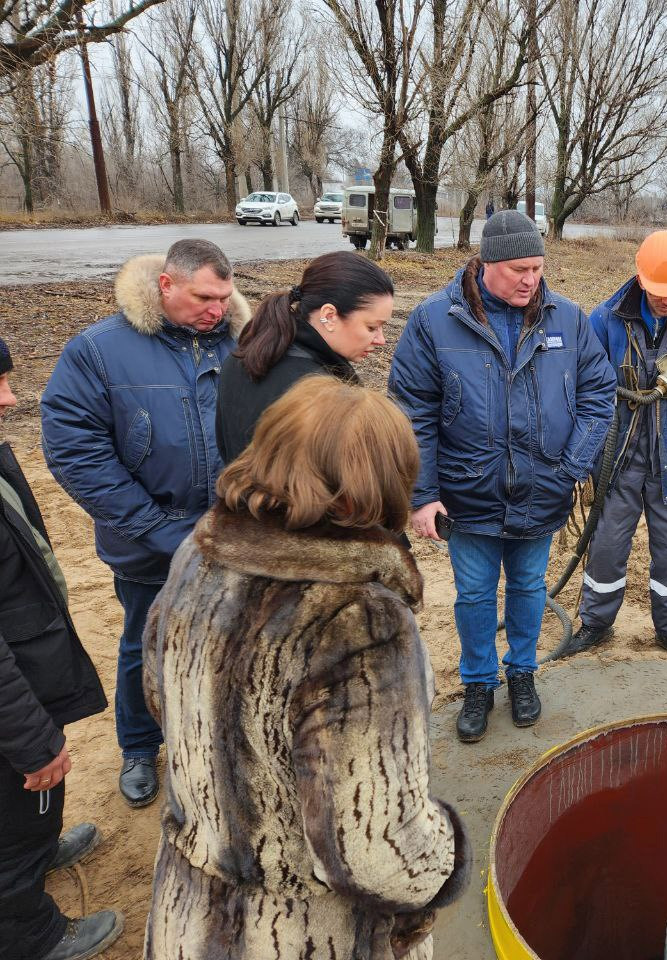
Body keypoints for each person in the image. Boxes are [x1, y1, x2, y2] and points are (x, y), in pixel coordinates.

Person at [142, 378, 467, 960]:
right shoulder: (361, 623)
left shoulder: (199, 557)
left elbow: (159, 697)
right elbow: (375, 849)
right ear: (376, 485)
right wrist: (446, 852)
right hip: (305, 933)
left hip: (190, 913)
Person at [389, 210, 615, 744]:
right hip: (468, 493)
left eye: (537, 268)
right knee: (472, 594)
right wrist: (422, 497)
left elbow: (598, 397)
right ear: (485, 263)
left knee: (530, 587)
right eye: (518, 268)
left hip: (543, 488)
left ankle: (522, 674)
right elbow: (411, 411)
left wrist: (572, 469)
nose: (530, 279)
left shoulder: (567, 319)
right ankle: (477, 683)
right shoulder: (433, 321)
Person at [41, 240, 247, 809]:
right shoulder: (99, 351)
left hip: (233, 538)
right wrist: (155, 527)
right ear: (166, 286)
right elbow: (74, 449)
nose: (217, 309)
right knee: (144, 641)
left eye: (225, 297)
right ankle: (138, 744)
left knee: (226, 640)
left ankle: (211, 741)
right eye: (205, 297)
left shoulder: (243, 343)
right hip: (149, 542)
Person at [0, 336, 121, 960]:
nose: (11, 398)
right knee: (14, 813)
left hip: (29, 665)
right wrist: (31, 743)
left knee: (30, 815)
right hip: (10, 702)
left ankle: (40, 852)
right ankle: (33, 936)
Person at [561, 230, 667, 657]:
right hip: (617, 457)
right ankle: (596, 624)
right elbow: (582, 390)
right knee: (605, 546)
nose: (666, 300)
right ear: (640, 278)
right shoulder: (605, 320)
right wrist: (585, 458)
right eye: (658, 292)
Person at [216, 250, 392, 462]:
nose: (381, 340)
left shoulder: (241, 357)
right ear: (329, 316)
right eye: (372, 326)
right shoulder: (320, 391)